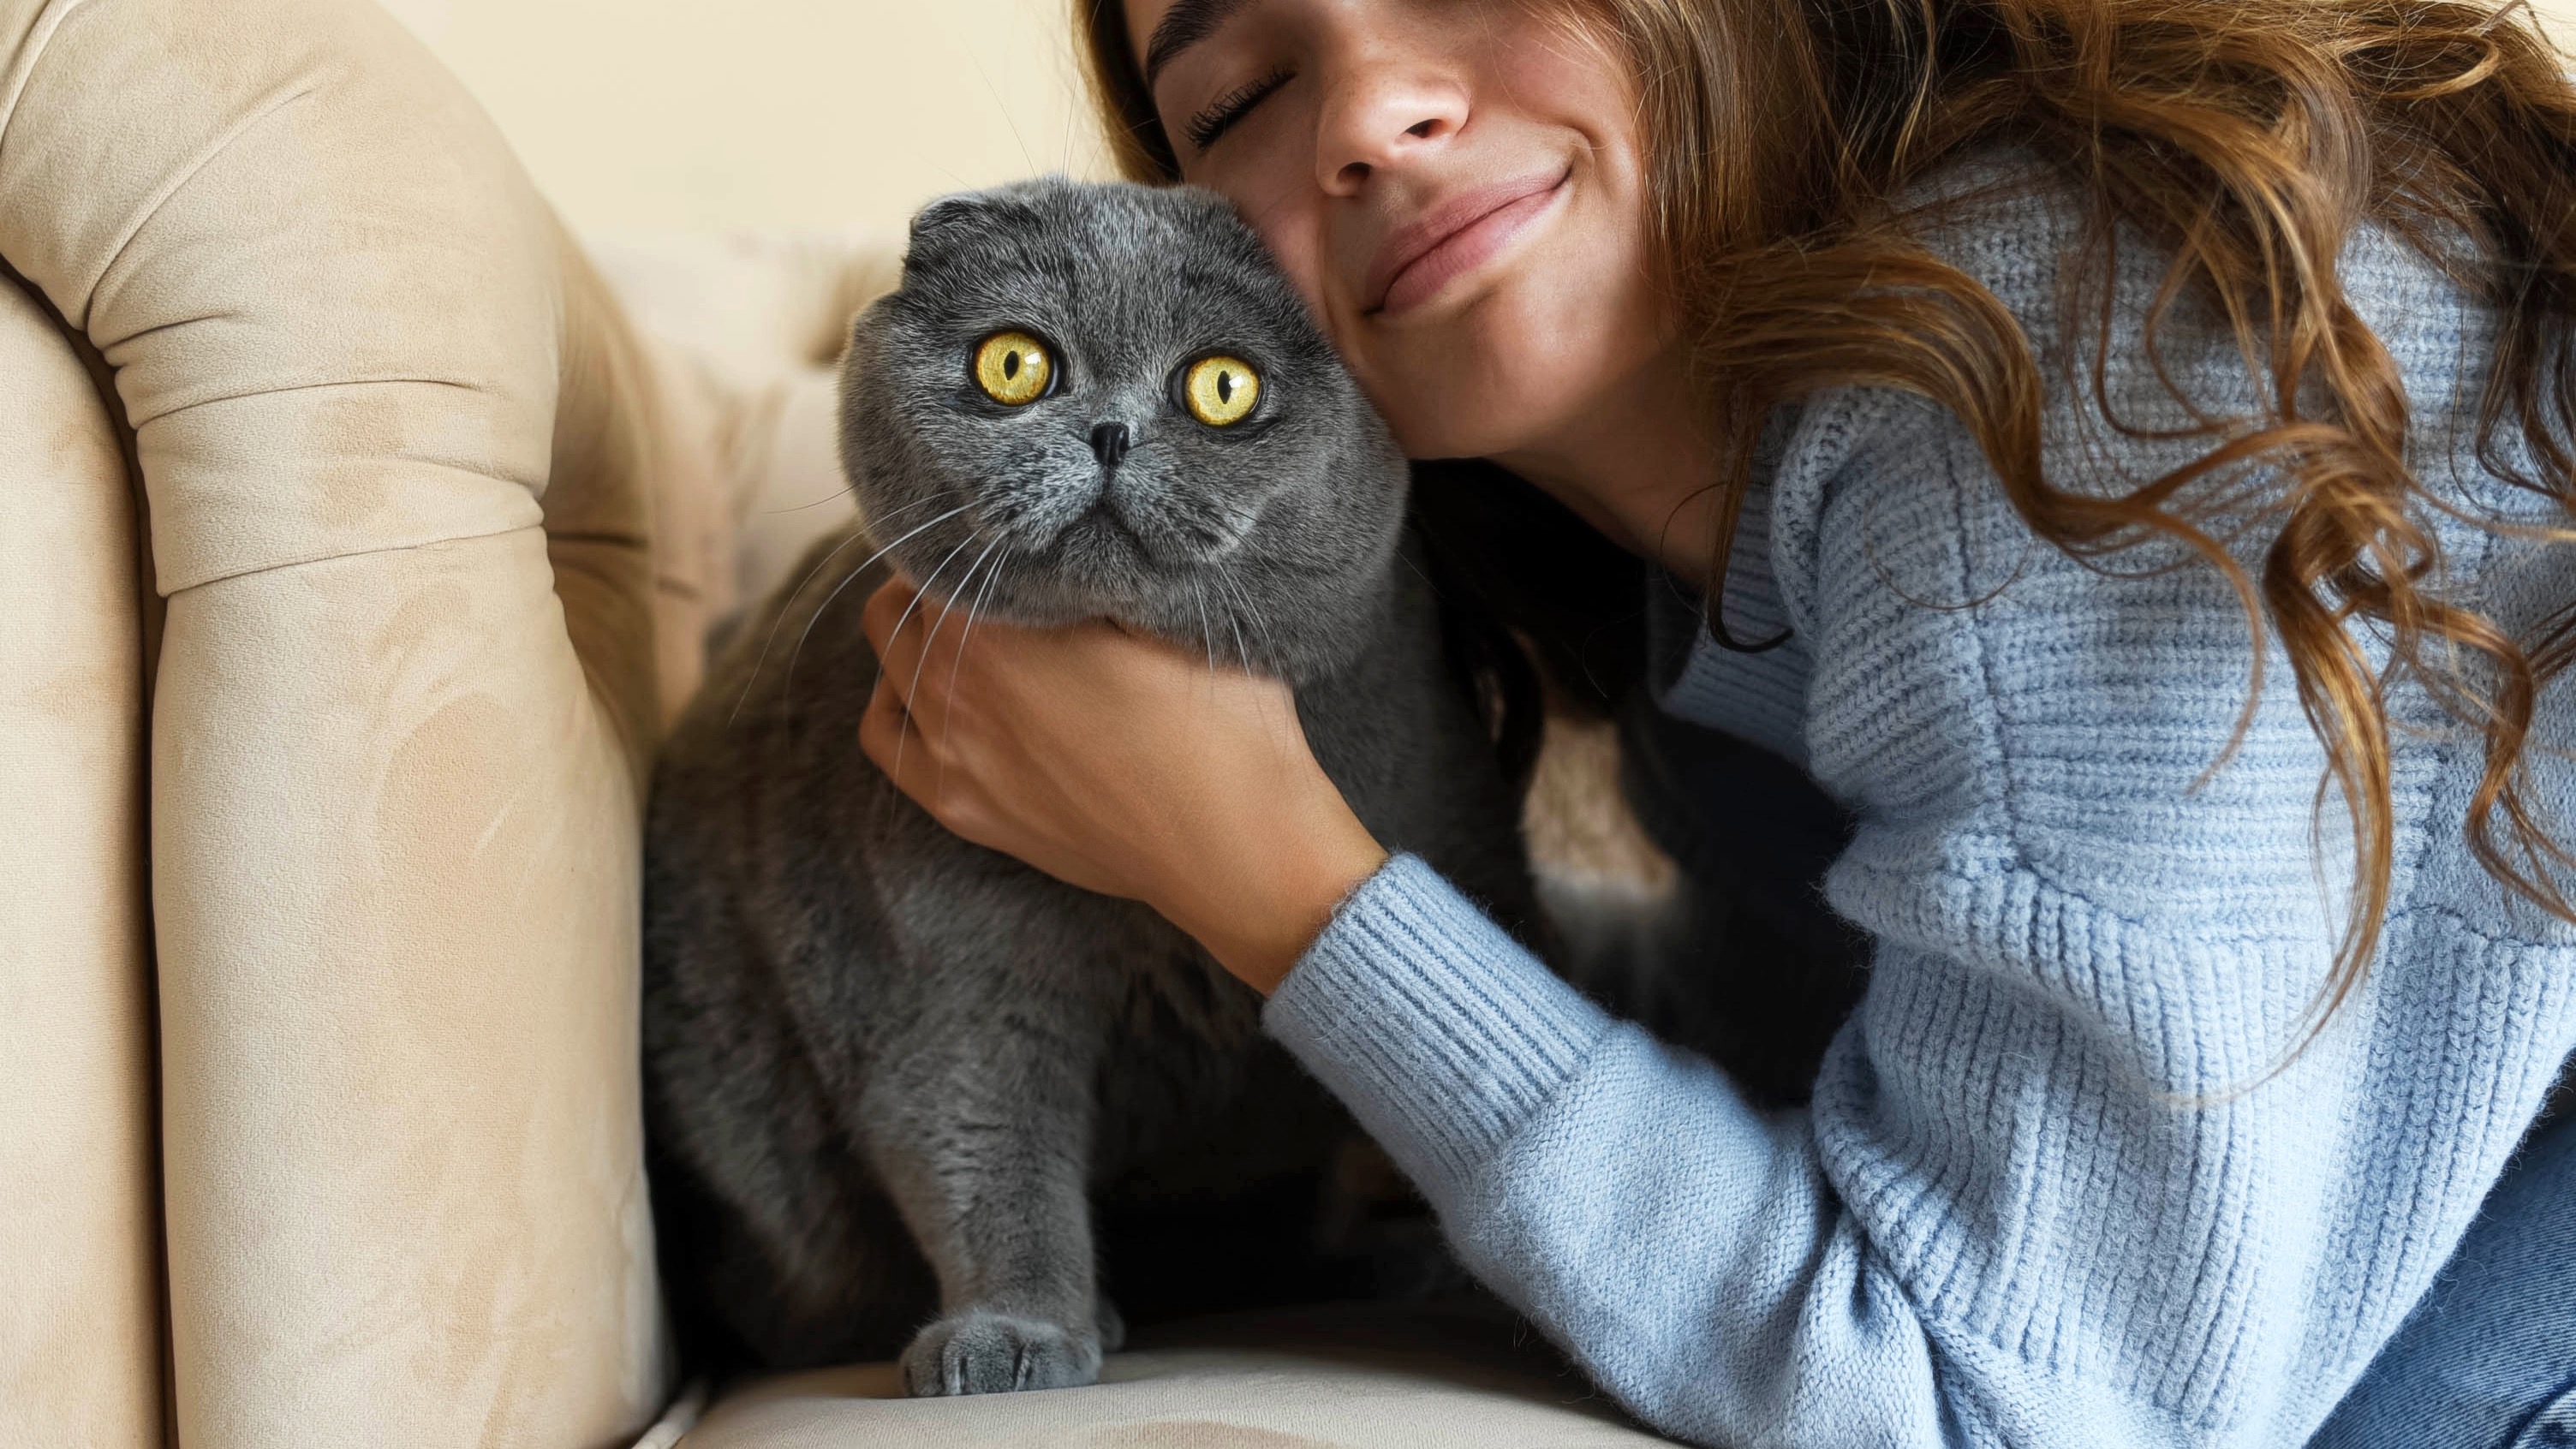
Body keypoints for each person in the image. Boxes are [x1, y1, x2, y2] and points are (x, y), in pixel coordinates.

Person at [853, 1, 2576, 1444]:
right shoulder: (1701, 601)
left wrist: (1281, 884)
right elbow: (1872, 1090)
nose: (1371, 112)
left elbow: (2000, 1404)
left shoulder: (2062, 377)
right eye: (1236, 98)